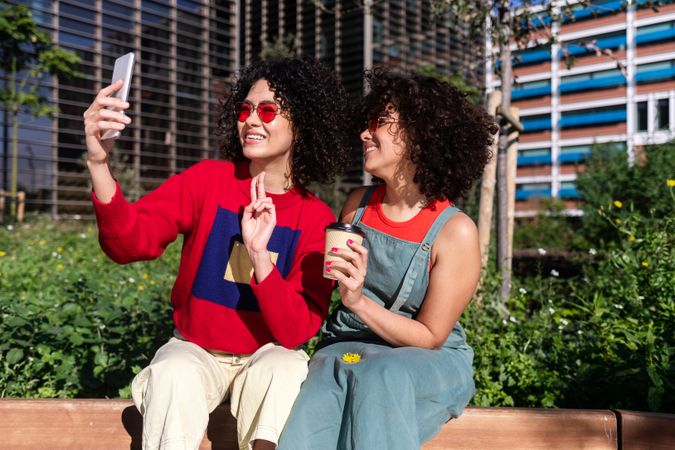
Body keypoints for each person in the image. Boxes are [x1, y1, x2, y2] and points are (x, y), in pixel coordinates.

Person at [82, 58, 351, 450]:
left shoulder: (315, 219)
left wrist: (260, 257)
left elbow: (296, 332)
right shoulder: (207, 181)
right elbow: (129, 243)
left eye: (268, 110)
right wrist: (98, 162)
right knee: (173, 370)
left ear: (304, 124)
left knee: (287, 365)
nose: (251, 120)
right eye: (245, 109)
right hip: (194, 350)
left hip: (263, 358)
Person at [277, 68, 498, 450]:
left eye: (379, 122)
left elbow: (430, 337)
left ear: (419, 134)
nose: (365, 133)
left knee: (380, 375)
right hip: (351, 348)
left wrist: (358, 302)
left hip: (425, 360)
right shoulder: (356, 207)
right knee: (329, 371)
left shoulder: (455, 231)